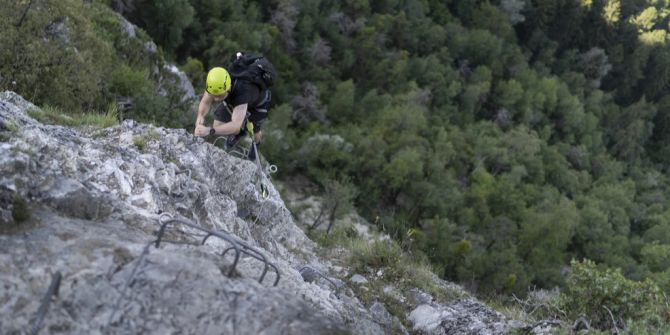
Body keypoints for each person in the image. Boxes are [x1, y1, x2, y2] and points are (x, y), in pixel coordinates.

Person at [193, 64, 271, 160]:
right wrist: (200, 116)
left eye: (220, 95)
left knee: (255, 131)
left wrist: (209, 130)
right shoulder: (217, 81)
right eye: (214, 95)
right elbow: (205, 102)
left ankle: (256, 144)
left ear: (228, 87)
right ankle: (239, 133)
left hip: (256, 106)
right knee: (218, 125)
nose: (216, 99)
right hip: (233, 100)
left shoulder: (243, 91)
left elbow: (235, 125)